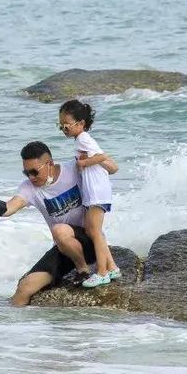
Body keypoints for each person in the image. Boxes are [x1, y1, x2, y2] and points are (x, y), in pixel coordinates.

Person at [0, 141, 117, 306]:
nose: (31, 177)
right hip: (65, 248)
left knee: (59, 230)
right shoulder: (29, 188)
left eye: (34, 172)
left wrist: (92, 160)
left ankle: (83, 270)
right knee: (24, 288)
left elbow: (113, 168)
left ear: (49, 164)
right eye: (26, 173)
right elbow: (10, 207)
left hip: (90, 240)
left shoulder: (73, 169)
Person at [58, 99, 120, 287]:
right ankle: (112, 267)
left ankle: (102, 272)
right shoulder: (81, 139)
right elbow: (110, 166)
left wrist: (83, 163)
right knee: (95, 230)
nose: (63, 129)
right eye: (60, 125)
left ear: (81, 123)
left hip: (96, 191)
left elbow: (103, 157)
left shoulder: (83, 138)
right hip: (96, 190)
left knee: (93, 231)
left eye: (66, 125)